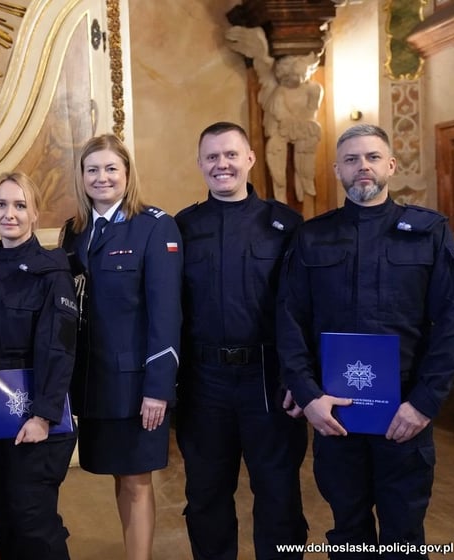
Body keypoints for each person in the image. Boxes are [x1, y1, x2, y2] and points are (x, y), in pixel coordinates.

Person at [277, 124, 454, 557]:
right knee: (348, 533)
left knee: (403, 537)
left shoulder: (429, 232)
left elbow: (452, 321)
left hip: (404, 414)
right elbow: (289, 320)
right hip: (336, 414)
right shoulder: (312, 236)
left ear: (391, 165)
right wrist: (308, 394)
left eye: (373, 157)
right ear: (337, 169)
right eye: (352, 159)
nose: (363, 167)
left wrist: (424, 403)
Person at [174, 122, 307, 559]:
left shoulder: (286, 224)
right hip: (204, 383)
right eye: (212, 156)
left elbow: (301, 309)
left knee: (279, 496)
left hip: (269, 381)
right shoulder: (183, 227)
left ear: (250, 159)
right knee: (205, 497)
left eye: (231, 154)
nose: (222, 164)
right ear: (199, 164)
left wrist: (299, 379)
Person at [59, 133, 182, 560]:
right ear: (81, 176)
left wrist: (158, 388)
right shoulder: (74, 232)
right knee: (120, 476)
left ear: (127, 174)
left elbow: (166, 313)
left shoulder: (155, 226)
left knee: (136, 480)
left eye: (111, 168)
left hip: (136, 384)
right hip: (94, 381)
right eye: (92, 169)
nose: (102, 177)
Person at [0, 171, 78, 560]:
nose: (10, 213)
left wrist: (43, 416)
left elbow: (59, 347)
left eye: (20, 205)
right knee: (2, 516)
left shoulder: (52, 271)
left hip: (35, 413)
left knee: (33, 523)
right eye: (1, 205)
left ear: (35, 213)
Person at [225, 25, 323, 204]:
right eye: (286, 75)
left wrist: (302, 124)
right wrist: (290, 123)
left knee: (306, 156)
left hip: (303, 130)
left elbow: (311, 111)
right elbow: (279, 113)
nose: (290, 79)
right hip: (281, 129)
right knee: (276, 160)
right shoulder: (279, 92)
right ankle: (280, 196)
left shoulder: (314, 89)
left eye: (295, 75)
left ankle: (304, 186)